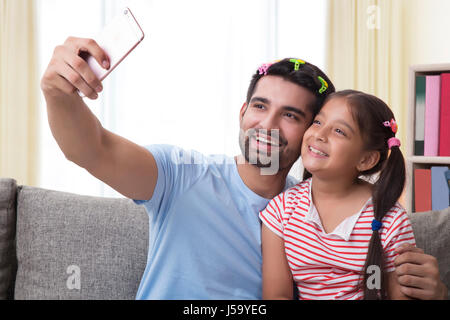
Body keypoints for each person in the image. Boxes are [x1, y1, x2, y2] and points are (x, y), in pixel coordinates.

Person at [40, 36, 447, 299]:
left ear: (311, 132)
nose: (267, 125)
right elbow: (90, 148)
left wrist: (429, 290)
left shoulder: (310, 211)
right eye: (260, 106)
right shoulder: (180, 174)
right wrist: (59, 92)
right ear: (242, 112)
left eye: (291, 115)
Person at [259, 90, 443, 300]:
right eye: (318, 122)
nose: (319, 134)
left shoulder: (391, 220)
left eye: (339, 131)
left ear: (366, 160)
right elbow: (277, 296)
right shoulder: (281, 210)